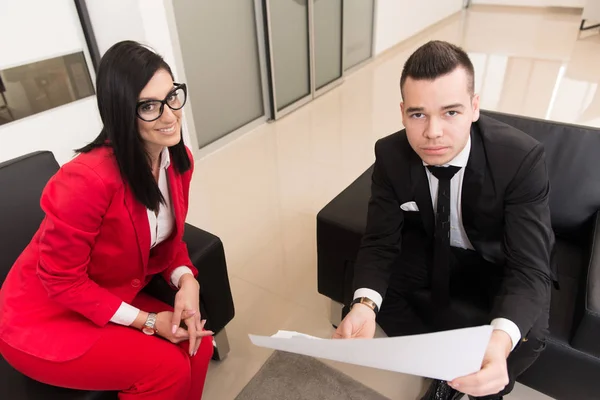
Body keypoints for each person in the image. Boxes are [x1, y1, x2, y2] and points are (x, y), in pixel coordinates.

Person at [333, 40, 554, 400]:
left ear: (474, 107)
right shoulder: (390, 154)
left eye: (451, 112)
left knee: (530, 335)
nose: (432, 132)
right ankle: (440, 369)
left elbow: (530, 267)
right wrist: (364, 304)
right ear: (403, 112)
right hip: (434, 245)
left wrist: (498, 343)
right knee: (368, 294)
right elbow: (379, 241)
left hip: (498, 256)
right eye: (418, 114)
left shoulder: (520, 159)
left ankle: (482, 386)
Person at [0, 41, 214, 399]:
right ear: (120, 113)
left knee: (199, 345)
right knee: (166, 371)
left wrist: (188, 283)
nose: (170, 115)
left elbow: (169, 244)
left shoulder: (178, 162)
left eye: (172, 96)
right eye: (149, 106)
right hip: (43, 315)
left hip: (105, 292)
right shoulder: (86, 180)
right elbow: (60, 280)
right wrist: (149, 321)